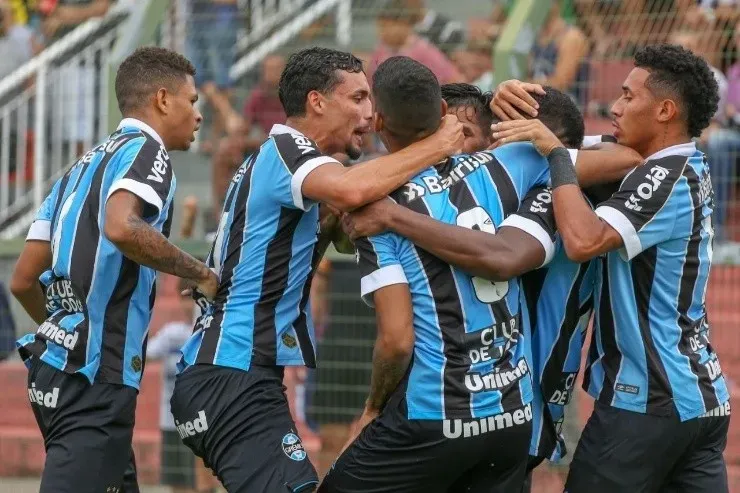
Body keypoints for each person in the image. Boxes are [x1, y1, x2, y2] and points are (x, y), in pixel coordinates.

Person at [318, 57, 627, 493]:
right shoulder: (506, 167)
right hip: (512, 413)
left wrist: (372, 408)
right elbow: (623, 156)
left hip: (438, 412)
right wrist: (548, 145)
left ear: (378, 120)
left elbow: (396, 338)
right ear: (444, 117)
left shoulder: (378, 209)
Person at [169, 47, 464, 493]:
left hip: (241, 375)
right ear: (317, 102)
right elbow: (351, 190)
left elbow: (346, 229)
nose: (370, 113)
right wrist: (437, 144)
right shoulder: (289, 149)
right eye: (359, 98)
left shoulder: (297, 168)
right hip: (228, 375)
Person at [491, 43, 731, 493]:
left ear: (664, 110)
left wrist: (557, 157)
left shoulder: (667, 174)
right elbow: (559, 140)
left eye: (628, 96)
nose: (615, 107)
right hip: (697, 399)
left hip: (646, 401)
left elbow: (583, 241)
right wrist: (501, 100)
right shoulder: (672, 165)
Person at [9, 46, 218, 493]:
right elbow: (122, 226)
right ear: (163, 100)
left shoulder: (78, 168)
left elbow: (23, 278)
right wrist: (200, 271)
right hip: (96, 378)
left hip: (52, 367)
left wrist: (65, 327)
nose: (198, 115)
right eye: (193, 101)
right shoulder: (149, 151)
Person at [368, 0, 463, 84]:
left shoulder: (423, 51)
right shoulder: (380, 51)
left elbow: (453, 79)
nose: (383, 32)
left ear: (405, 24)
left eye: (388, 26)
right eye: (381, 27)